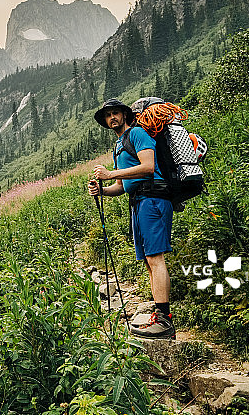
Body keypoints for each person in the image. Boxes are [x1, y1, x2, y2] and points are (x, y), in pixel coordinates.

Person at [88, 98, 175, 339]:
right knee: (149, 261)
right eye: (108, 115)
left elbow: (148, 167)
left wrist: (110, 173)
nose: (112, 117)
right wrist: (103, 190)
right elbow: (122, 185)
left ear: (125, 115)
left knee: (155, 258)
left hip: (154, 198)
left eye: (116, 113)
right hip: (138, 201)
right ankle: (160, 316)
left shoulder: (137, 134)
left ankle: (165, 322)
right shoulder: (119, 146)